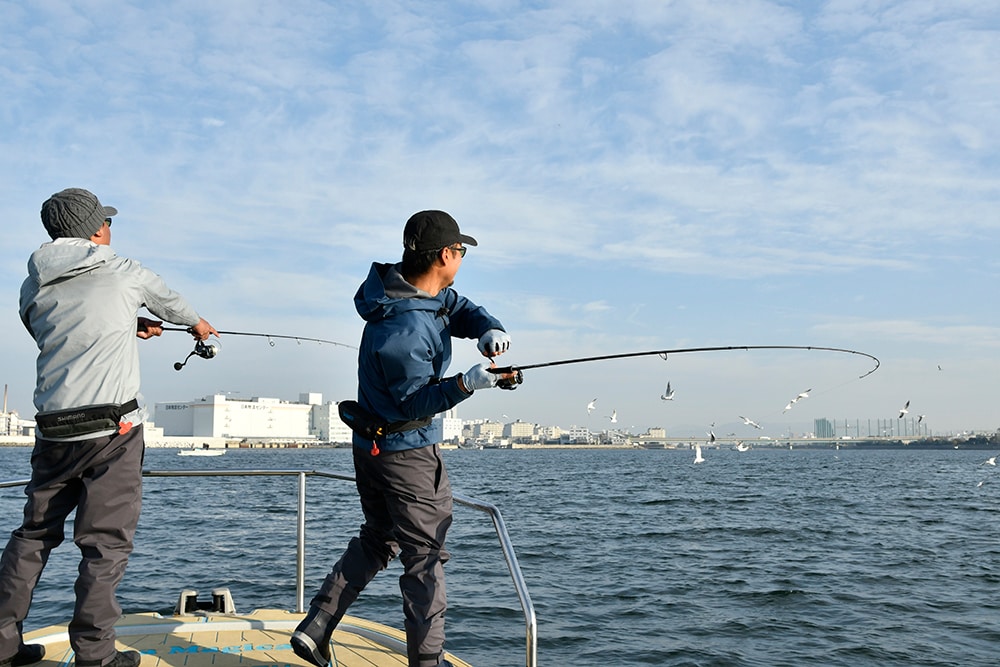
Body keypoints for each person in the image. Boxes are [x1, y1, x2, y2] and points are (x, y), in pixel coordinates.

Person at [0, 188, 217, 667]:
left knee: (32, 536)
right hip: (112, 430)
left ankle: (2, 643)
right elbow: (176, 307)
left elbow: (51, 333)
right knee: (105, 545)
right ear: (97, 229)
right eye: (107, 223)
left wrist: (123, 324)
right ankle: (95, 655)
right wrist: (200, 327)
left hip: (52, 429)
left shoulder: (30, 286)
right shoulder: (123, 269)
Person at [292, 210, 517, 667]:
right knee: (425, 560)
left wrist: (487, 327)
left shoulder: (402, 294)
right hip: (407, 456)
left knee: (379, 537)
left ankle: (316, 627)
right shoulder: (407, 329)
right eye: (461, 251)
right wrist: (467, 384)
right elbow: (415, 402)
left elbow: (455, 304)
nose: (462, 258)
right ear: (444, 256)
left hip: (370, 450)